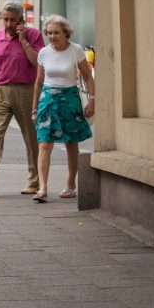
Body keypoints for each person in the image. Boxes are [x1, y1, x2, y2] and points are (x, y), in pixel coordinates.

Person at [0, 3, 45, 198]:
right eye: (5, 19)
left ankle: (34, 181)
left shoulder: (34, 35)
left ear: (20, 19)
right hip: (0, 92)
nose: (8, 23)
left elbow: (38, 64)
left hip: (26, 91)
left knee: (31, 138)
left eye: (12, 19)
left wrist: (23, 41)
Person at [31, 15, 95, 202]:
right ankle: (42, 188)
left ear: (66, 33)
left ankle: (70, 184)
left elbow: (87, 76)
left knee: (71, 143)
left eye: (56, 32)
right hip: (47, 99)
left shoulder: (76, 50)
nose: (52, 36)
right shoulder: (43, 52)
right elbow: (38, 82)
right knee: (44, 143)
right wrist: (34, 109)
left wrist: (92, 100)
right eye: (49, 33)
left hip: (70, 99)